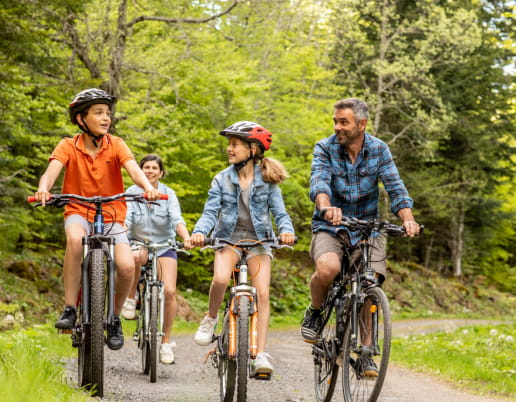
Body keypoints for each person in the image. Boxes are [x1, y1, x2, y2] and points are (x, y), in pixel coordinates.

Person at [300, 98, 421, 373]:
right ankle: (316, 313)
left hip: (368, 229)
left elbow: (396, 188)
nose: (337, 127)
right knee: (328, 268)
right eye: (335, 121)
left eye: (344, 122)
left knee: (370, 281)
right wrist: (326, 206)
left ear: (362, 124)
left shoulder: (379, 149)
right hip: (330, 226)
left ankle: (366, 352)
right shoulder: (325, 147)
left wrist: (408, 219)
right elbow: (318, 182)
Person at [34, 88, 160, 350]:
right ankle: (70, 308)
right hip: (78, 210)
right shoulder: (68, 145)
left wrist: (147, 186)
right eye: (99, 113)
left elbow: (134, 170)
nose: (106, 118)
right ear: (82, 118)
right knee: (76, 240)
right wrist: (44, 188)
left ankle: (113, 317)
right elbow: (51, 172)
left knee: (126, 266)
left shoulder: (116, 144)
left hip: (113, 212)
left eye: (107, 113)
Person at [190, 121, 295, 378]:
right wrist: (200, 232)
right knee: (220, 279)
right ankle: (211, 318)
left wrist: (286, 230)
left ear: (252, 150)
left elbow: (280, 213)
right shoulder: (221, 179)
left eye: (234, 144)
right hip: (228, 239)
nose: (229, 148)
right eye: (229, 143)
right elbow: (210, 212)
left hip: (259, 242)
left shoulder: (268, 181)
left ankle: (260, 354)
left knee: (262, 293)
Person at [122, 154, 193, 364]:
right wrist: (122, 236)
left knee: (169, 291)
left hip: (163, 246)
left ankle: (166, 343)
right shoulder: (132, 193)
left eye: (154, 168)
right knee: (135, 256)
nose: (150, 171)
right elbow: (126, 219)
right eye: (146, 167)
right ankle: (131, 297)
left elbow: (177, 220)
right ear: (140, 171)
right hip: (138, 242)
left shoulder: (169, 194)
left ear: (161, 173)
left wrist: (186, 237)